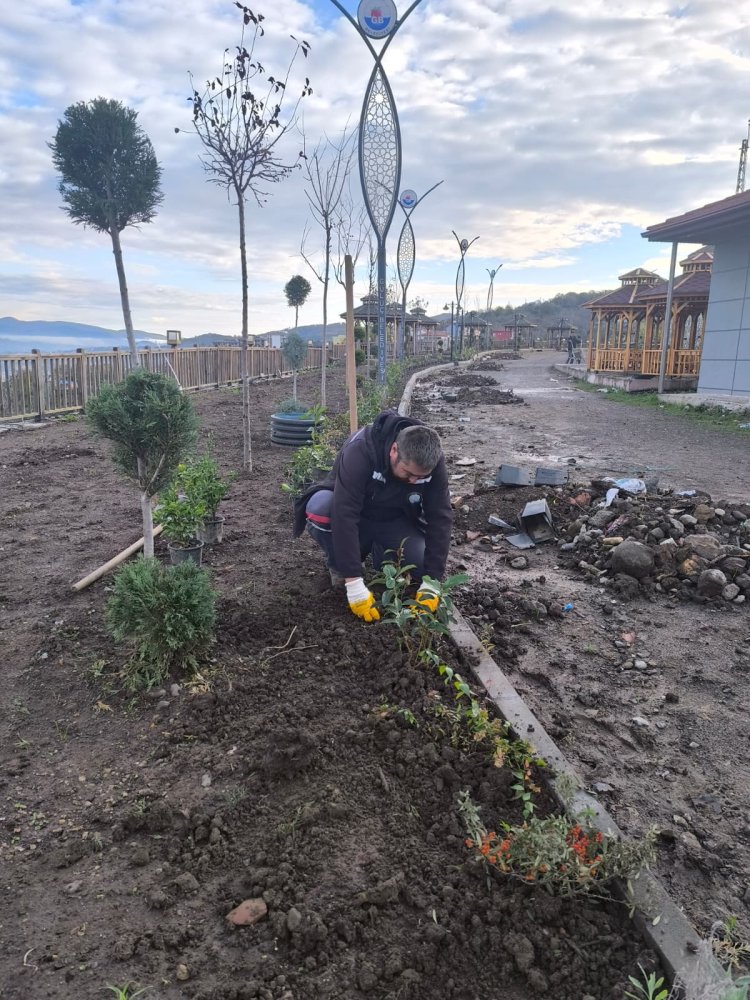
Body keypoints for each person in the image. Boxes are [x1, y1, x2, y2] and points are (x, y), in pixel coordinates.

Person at [293, 410, 453, 623]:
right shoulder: (362, 449)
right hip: (357, 516)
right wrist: (354, 584)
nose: (414, 481)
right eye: (408, 473)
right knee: (321, 508)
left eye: (420, 477)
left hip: (395, 520)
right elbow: (344, 513)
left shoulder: (432, 459)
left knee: (422, 564)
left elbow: (440, 517)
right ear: (394, 451)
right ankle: (340, 565)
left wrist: (432, 582)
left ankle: (383, 555)